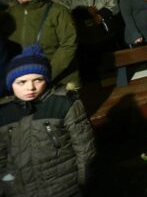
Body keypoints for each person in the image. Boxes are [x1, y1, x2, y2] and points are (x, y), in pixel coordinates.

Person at [0, 45, 95, 196]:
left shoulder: (63, 103)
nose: (30, 87)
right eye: (22, 82)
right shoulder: (5, 112)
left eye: (38, 80)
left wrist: (83, 183)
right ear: (10, 84)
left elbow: (85, 149)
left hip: (64, 187)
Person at [2, 0, 78, 88]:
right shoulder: (10, 14)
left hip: (59, 79)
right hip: (24, 82)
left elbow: (68, 45)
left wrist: (44, 74)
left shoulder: (58, 12)